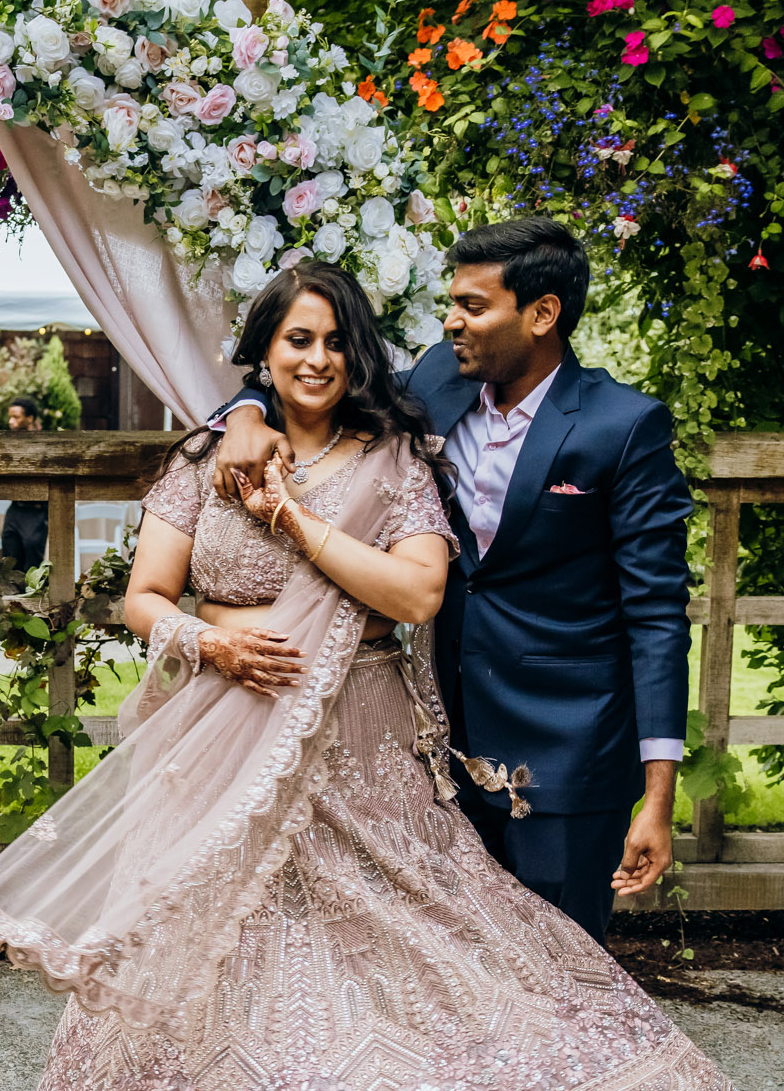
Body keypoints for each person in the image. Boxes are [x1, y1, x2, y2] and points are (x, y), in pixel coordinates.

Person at [0, 260, 777, 1091]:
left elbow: (417, 591)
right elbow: (140, 596)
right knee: (223, 969)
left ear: (362, 355)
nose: (317, 359)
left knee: (410, 957)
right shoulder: (209, 451)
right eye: (296, 340)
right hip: (218, 751)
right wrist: (208, 639)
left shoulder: (394, 453)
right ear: (263, 350)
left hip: (362, 748)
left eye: (336, 341)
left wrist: (292, 515)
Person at [209, 217, 689, 948]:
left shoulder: (623, 426)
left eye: (472, 305)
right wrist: (243, 411)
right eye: (451, 302)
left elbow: (657, 616)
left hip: (567, 751)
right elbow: (307, 386)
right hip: (438, 742)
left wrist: (658, 797)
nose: (450, 320)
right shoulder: (439, 378)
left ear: (542, 313)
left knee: (559, 965)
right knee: (458, 968)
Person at [0, 395, 50, 571]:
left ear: (29, 418)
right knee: (9, 560)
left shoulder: (43, 444)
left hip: (36, 510)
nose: (11, 422)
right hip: (15, 508)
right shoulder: (8, 443)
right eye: (10, 417)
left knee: (31, 564)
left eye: (16, 417)